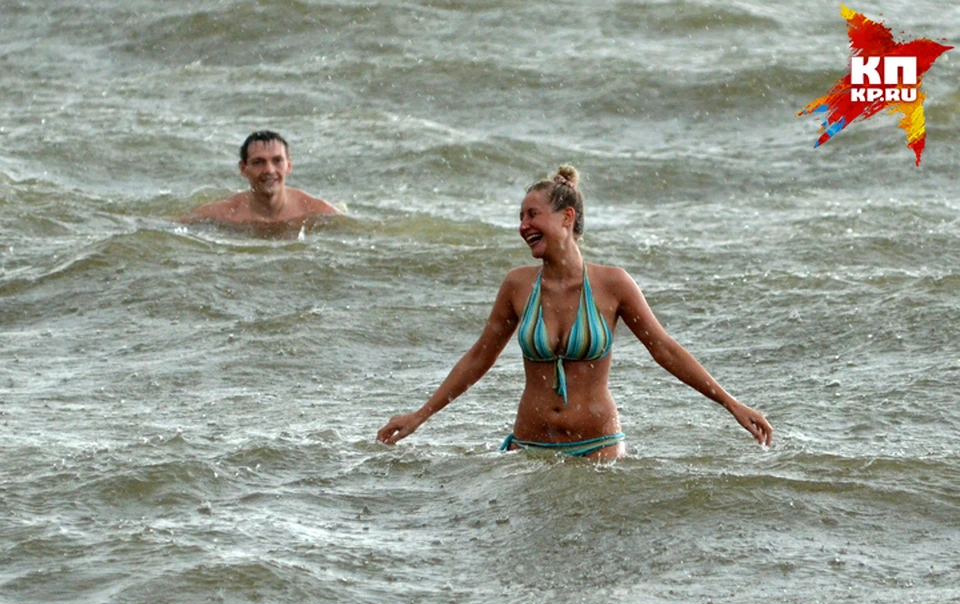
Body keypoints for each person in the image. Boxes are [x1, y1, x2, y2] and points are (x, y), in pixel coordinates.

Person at [377, 165, 773, 460]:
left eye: (532, 215)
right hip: (530, 449)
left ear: (566, 218)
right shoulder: (518, 286)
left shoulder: (613, 285)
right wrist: (420, 415)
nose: (523, 226)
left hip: (598, 449)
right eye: (520, 217)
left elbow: (665, 350)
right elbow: (480, 356)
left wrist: (731, 403)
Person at [180, 131, 340, 230]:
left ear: (289, 166)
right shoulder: (224, 214)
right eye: (258, 162)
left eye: (277, 161)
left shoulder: (317, 211)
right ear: (243, 169)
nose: (269, 170)